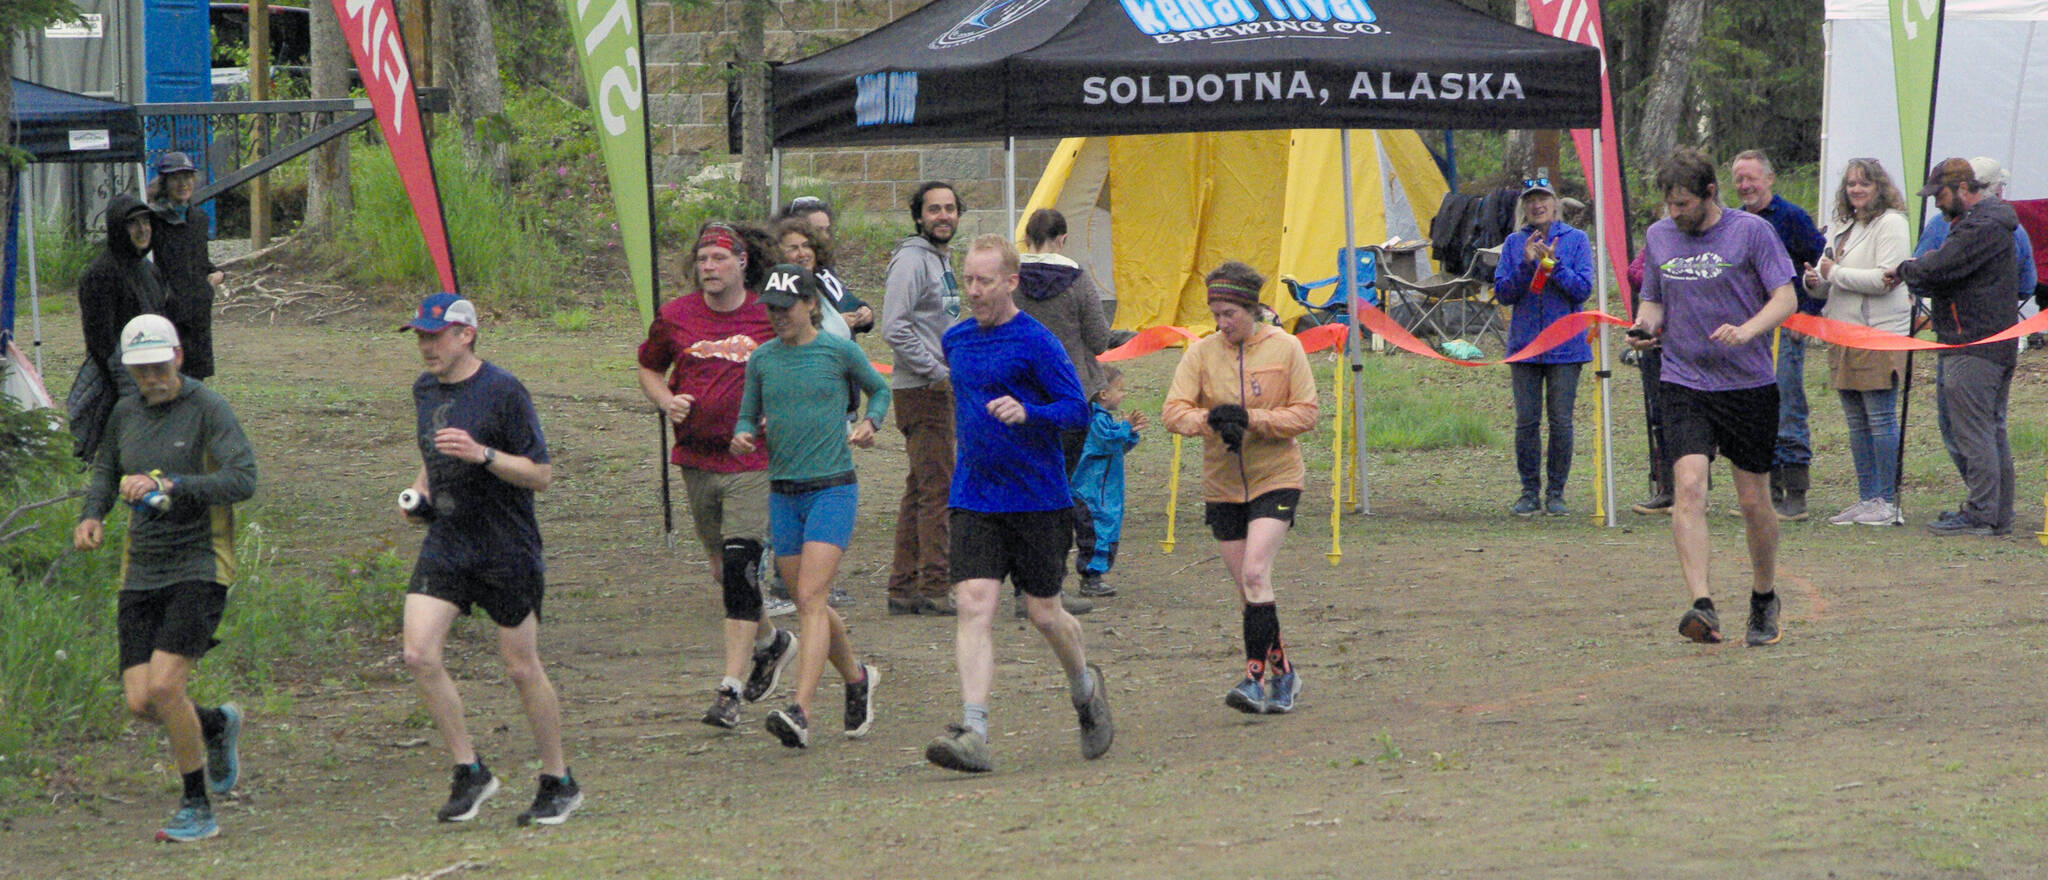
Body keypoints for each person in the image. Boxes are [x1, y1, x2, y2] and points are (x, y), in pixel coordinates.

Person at [923, 235, 1113, 774]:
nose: (974, 291)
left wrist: (1029, 412)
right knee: (974, 605)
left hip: (1036, 498)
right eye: (968, 281)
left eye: (985, 281)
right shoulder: (956, 340)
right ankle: (974, 731)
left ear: (1011, 282)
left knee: (1043, 612)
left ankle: (1084, 688)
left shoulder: (1038, 341)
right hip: (974, 497)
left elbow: (1077, 409)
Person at [396, 294, 582, 826]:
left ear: (466, 335)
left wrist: (484, 455)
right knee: (418, 654)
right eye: (420, 336)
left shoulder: (503, 391)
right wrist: (418, 495)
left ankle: (558, 779)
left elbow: (541, 474)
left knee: (522, 667)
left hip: (506, 546)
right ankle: (470, 770)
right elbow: (433, 456)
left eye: (435, 335)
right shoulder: (424, 390)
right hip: (448, 539)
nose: (426, 346)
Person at [73, 314, 256, 842]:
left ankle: (197, 807)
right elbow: (108, 470)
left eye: (158, 366)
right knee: (140, 701)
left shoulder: (208, 408)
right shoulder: (126, 411)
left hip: (200, 562)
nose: (150, 378)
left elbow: (243, 478)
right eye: (140, 370)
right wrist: (93, 515)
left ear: (177, 356)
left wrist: (173, 483)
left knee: (166, 686)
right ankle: (216, 725)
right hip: (142, 566)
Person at [1627, 148, 1799, 647]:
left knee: (1752, 501)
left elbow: (1785, 297)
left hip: (1747, 385)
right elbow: (1653, 297)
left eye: (1683, 203)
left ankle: (1764, 596)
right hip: (1683, 380)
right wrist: (1646, 326)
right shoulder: (1660, 236)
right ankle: (1702, 605)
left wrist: (1748, 331)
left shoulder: (1751, 232)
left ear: (1709, 194)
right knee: (1688, 486)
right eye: (1668, 204)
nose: (1674, 213)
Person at [636, 222, 799, 729]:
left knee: (740, 566)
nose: (709, 268)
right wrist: (666, 400)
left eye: (719, 259)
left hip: (753, 460)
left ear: (743, 262)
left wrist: (779, 408)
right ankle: (771, 642)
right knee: (722, 571)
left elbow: (802, 365)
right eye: (703, 259)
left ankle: (728, 689)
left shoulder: (768, 316)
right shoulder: (675, 317)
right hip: (697, 460)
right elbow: (648, 367)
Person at [731, 264, 891, 749]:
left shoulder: (838, 350)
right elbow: (746, 414)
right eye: (771, 309)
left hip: (832, 490)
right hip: (784, 493)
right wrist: (742, 434)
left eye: (785, 308)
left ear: (810, 305)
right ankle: (858, 678)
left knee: (811, 600)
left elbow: (879, 390)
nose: (777, 317)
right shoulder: (762, 360)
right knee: (809, 601)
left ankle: (800, 710)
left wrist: (872, 423)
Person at [1163, 261, 1320, 714]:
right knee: (1252, 589)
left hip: (1277, 478)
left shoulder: (1287, 349)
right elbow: (1173, 411)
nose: (1222, 322)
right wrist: (1210, 421)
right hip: (1223, 484)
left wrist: (1254, 420)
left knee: (1255, 574)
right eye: (1215, 312)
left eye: (1229, 312)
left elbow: (1306, 414)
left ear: (1252, 309)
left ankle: (1253, 681)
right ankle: (1285, 673)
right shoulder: (1200, 353)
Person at [1886, 158, 2021, 537]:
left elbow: (1938, 269)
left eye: (1940, 195)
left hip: (1973, 345)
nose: (1937, 203)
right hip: (1987, 342)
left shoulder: (1980, 227)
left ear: (1964, 189)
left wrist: (1905, 269)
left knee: (1974, 432)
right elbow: (1943, 269)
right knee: (1990, 430)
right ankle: (1996, 514)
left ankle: (1981, 514)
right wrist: (1920, 269)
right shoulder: (1986, 224)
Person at [1804, 158, 1912, 527]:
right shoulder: (1842, 225)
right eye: (1850, 183)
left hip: (1877, 332)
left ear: (1879, 186)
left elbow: (1887, 278)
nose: (1856, 189)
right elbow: (1828, 279)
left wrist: (1835, 273)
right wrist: (1815, 282)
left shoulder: (1892, 223)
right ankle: (1867, 497)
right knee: (1855, 421)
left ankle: (1887, 499)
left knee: (1880, 419)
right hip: (1841, 332)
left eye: (1864, 183)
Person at [1017, 207, 1115, 605]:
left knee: (1025, 489)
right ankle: (1055, 584)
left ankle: (1025, 585)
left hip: (1021, 396)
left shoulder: (1009, 281)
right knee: (1063, 487)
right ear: (1062, 238)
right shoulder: (1077, 281)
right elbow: (1098, 339)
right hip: (1070, 394)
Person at [880, 182, 963, 616]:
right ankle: (934, 585)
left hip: (936, 388)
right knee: (938, 490)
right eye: (934, 209)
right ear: (919, 217)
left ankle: (903, 584)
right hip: (923, 391)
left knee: (920, 487)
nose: (943, 216)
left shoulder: (939, 260)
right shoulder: (912, 261)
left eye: (949, 208)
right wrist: (936, 372)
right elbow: (893, 326)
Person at [1730, 150, 1826, 521]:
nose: (1745, 186)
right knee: (1753, 410)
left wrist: (1808, 314)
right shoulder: (1733, 221)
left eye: (1751, 178)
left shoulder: (1792, 218)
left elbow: (1822, 263)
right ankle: (1764, 491)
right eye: (1739, 179)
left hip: (1785, 330)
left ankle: (1795, 492)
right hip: (1744, 332)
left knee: (1787, 406)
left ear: (1770, 179)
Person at [1493, 178, 1594, 517]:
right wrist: (1525, 264)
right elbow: (1504, 293)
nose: (1537, 206)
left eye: (1543, 200)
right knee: (1526, 421)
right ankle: (1528, 491)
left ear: (1555, 204)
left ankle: (1556, 493)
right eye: (1531, 201)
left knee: (1561, 421)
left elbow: (1582, 290)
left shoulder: (1576, 240)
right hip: (1525, 347)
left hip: (1565, 347)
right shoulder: (1512, 243)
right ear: (1524, 207)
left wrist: (1552, 265)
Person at [1912, 157, 2035, 310]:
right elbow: (2026, 287)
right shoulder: (2014, 227)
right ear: (1996, 188)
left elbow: (1917, 281)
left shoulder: (1939, 223)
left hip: (1953, 318)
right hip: (1999, 319)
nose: (1937, 203)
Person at [77, 194, 167, 404]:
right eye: (133, 223)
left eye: (145, 221)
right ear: (118, 228)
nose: (142, 229)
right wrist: (130, 388)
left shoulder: (149, 270)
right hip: (118, 386)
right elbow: (102, 344)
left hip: (154, 373)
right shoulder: (100, 274)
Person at [146, 152, 224, 380]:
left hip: (197, 311)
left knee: (196, 379)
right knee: (167, 375)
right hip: (167, 312)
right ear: (164, 182)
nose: (183, 184)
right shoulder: (152, 220)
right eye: (176, 178)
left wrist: (216, 274)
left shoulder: (198, 219)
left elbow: (199, 260)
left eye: (188, 177)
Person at [1069, 366, 1145, 597]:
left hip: (1105, 492)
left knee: (1106, 531)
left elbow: (1117, 447)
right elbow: (1107, 440)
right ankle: (1090, 578)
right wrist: (1125, 428)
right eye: (1120, 389)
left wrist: (1130, 433)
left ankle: (1095, 576)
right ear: (1103, 393)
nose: (1123, 395)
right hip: (1091, 492)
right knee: (1094, 535)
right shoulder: (1095, 420)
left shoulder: (1105, 420)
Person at [773, 216, 871, 335]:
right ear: (777, 254)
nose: (802, 253)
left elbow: (849, 303)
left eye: (806, 245)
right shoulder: (778, 289)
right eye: (793, 249)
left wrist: (864, 312)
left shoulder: (822, 277)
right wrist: (836, 325)